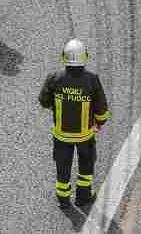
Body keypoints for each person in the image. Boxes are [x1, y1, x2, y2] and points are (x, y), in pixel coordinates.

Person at [39, 39, 110, 207]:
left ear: (64, 57)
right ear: (84, 57)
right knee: (86, 165)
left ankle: (63, 200)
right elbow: (101, 107)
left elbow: (43, 100)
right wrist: (100, 122)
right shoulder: (92, 79)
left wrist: (54, 105)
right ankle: (83, 197)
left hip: (61, 136)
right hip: (85, 135)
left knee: (62, 167)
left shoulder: (54, 78)